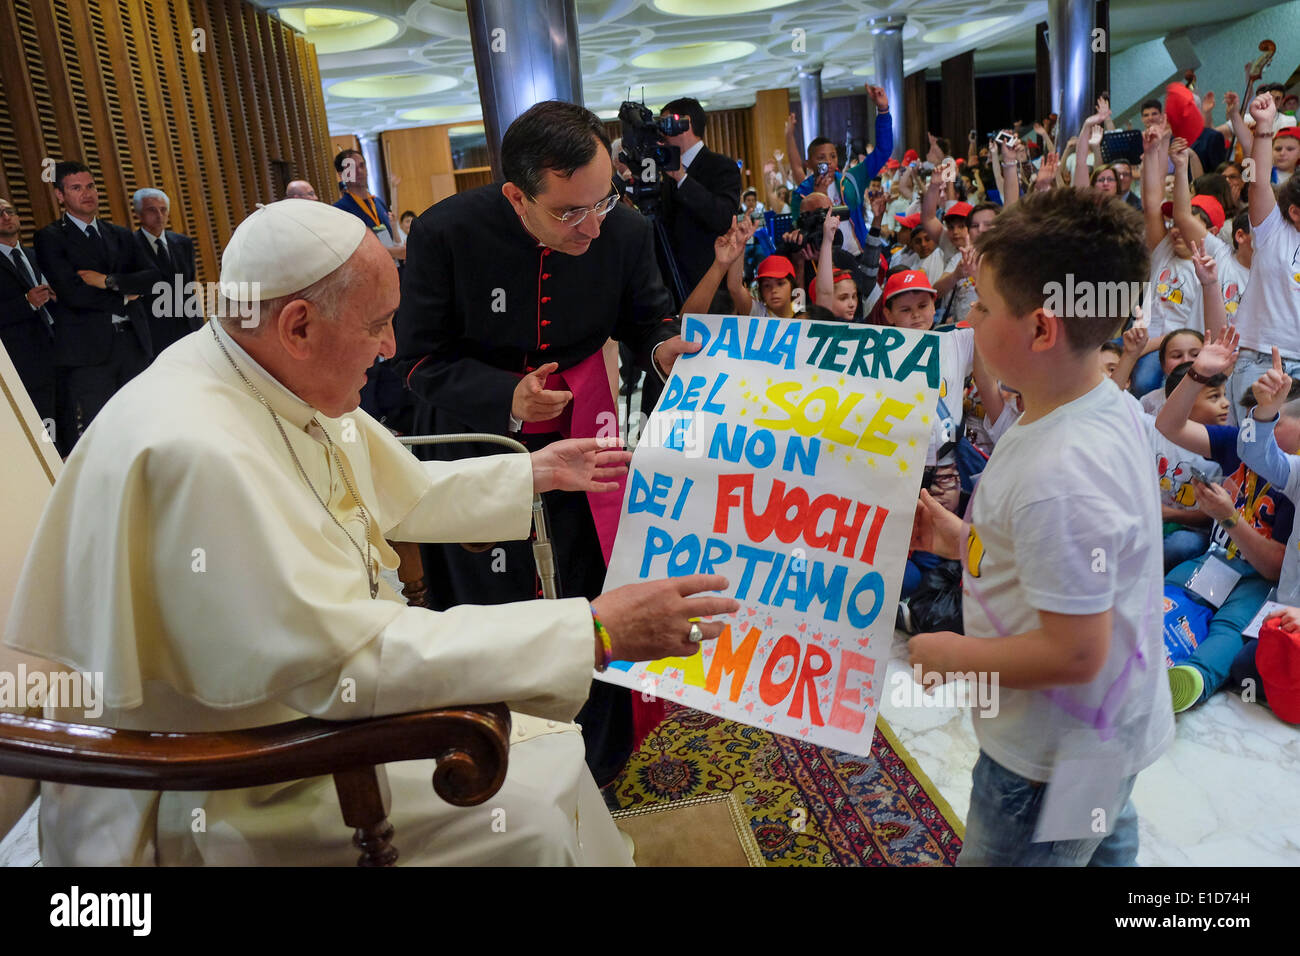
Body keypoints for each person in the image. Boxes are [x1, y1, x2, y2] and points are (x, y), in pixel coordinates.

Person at [2, 198, 741, 866]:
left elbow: (396, 490)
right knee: (524, 813)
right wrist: (592, 630)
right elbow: (338, 662)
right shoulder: (197, 451)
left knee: (549, 747)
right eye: (378, 325)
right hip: (231, 774)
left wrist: (535, 473)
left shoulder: (254, 368)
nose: (390, 349)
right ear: (298, 326)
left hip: (298, 716)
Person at [392, 100, 698, 786]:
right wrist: (506, 398)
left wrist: (663, 350)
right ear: (515, 195)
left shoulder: (622, 228)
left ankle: (600, 756)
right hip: (477, 448)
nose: (592, 227)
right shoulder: (446, 234)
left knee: (589, 591)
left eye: (604, 200)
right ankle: (499, 759)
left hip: (584, 432)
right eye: (568, 213)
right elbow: (412, 362)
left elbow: (647, 318)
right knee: (489, 606)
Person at [909, 187, 1173, 865]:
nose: (969, 319)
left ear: (1041, 328)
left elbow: (1074, 653)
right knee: (1102, 835)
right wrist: (954, 536)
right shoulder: (1092, 403)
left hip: (1046, 759)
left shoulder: (1063, 473)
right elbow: (1046, 559)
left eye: (985, 306)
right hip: (1103, 731)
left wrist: (954, 654)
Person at [1155, 328, 1295, 712]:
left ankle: (1193, 681)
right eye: (1253, 415)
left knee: (1232, 632)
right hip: (1216, 560)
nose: (1255, 425)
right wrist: (1197, 374)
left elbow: (1272, 567)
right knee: (1174, 596)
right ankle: (1128, 649)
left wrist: (1230, 518)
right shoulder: (1241, 441)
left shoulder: (1294, 476)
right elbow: (1168, 426)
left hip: (1258, 582)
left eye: (1271, 418)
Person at [34, 161, 158, 454]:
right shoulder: (50, 238)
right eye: (76, 188)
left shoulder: (120, 234)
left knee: (145, 420)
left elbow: (152, 278)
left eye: (90, 186)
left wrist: (107, 280)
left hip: (133, 343)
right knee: (104, 432)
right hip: (89, 353)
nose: (86, 193)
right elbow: (72, 294)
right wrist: (126, 295)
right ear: (60, 196)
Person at [1227, 94, 1300, 418]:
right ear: (1295, 212)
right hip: (1258, 358)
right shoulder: (1273, 230)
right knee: (1247, 455)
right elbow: (1257, 181)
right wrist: (1265, 126)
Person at [789, 85, 893, 253]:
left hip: (859, 256)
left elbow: (883, 151)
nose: (829, 162)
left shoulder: (851, 180)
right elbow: (802, 235)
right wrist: (819, 195)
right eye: (821, 158)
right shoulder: (801, 195)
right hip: (826, 264)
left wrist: (883, 110)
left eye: (832, 156)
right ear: (808, 164)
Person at [0, 197, 56, 425]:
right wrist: (27, 302)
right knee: (43, 427)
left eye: (9, 211)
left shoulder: (36, 255)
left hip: (58, 349)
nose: (6, 217)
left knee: (68, 419)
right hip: (24, 360)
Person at [132, 187, 199, 357]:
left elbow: (188, 285)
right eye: (151, 210)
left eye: (163, 210)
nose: (159, 216)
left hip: (188, 323)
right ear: (139, 214)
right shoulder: (129, 246)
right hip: (155, 330)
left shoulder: (183, 243)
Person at [332, 149, 405, 263]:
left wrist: (400, 248)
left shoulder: (378, 202)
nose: (360, 171)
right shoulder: (340, 211)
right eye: (352, 168)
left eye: (362, 165)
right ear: (342, 175)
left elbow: (389, 237)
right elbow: (352, 251)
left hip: (393, 270)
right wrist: (393, 252)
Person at [1139, 328, 1204, 414]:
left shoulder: (1222, 395)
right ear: (1163, 365)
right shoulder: (1149, 401)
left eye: (1195, 354)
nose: (1186, 360)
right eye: (1177, 356)